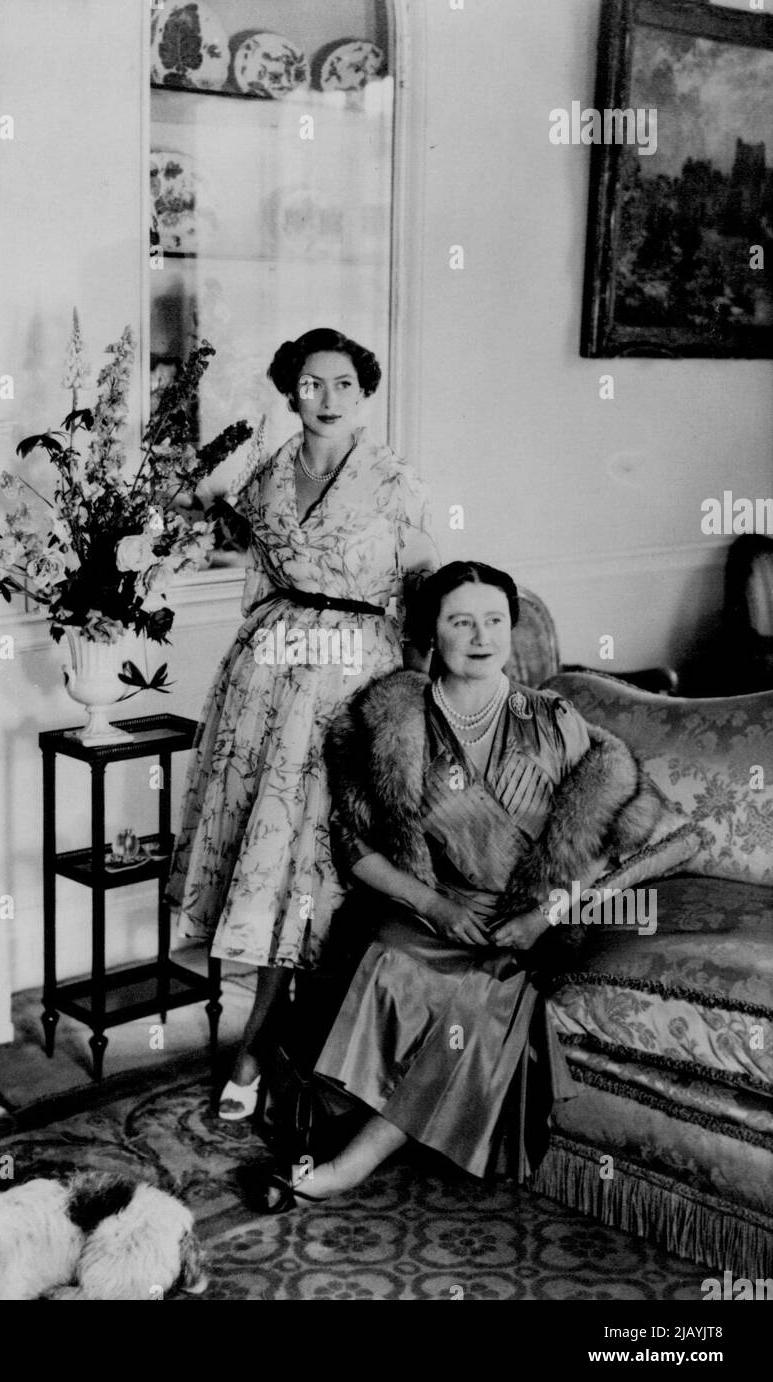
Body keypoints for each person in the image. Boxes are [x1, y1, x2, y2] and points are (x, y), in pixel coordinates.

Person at [262, 560, 669, 1206]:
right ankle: (334, 1107)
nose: (480, 636)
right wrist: (430, 904)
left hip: (527, 922)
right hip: (435, 910)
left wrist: (543, 916)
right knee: (390, 961)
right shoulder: (391, 727)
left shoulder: (551, 719)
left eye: (494, 621)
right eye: (460, 622)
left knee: (480, 997)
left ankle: (352, 1162)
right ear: (430, 634)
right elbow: (355, 849)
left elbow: (614, 842)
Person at [165, 327, 439, 1120]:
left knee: (321, 858)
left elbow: (427, 594)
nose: (326, 400)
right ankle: (268, 1038)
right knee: (264, 854)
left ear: (364, 393)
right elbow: (233, 544)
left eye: (343, 385)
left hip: (353, 677)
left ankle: (274, 1048)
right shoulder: (265, 471)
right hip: (265, 682)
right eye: (311, 385)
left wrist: (417, 705)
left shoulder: (395, 480)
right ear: (291, 391)